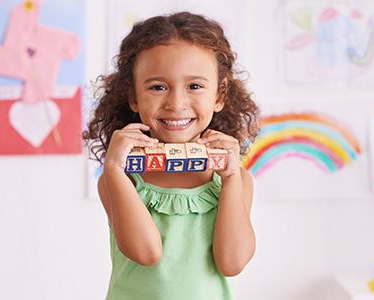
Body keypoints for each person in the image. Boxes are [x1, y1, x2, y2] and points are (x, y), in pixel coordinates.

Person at [83, 11, 259, 300]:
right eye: (158, 87)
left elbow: (232, 262)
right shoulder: (121, 178)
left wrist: (230, 179)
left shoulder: (234, 179)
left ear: (219, 95)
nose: (176, 103)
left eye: (195, 86)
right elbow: (146, 253)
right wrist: (114, 169)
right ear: (133, 97)